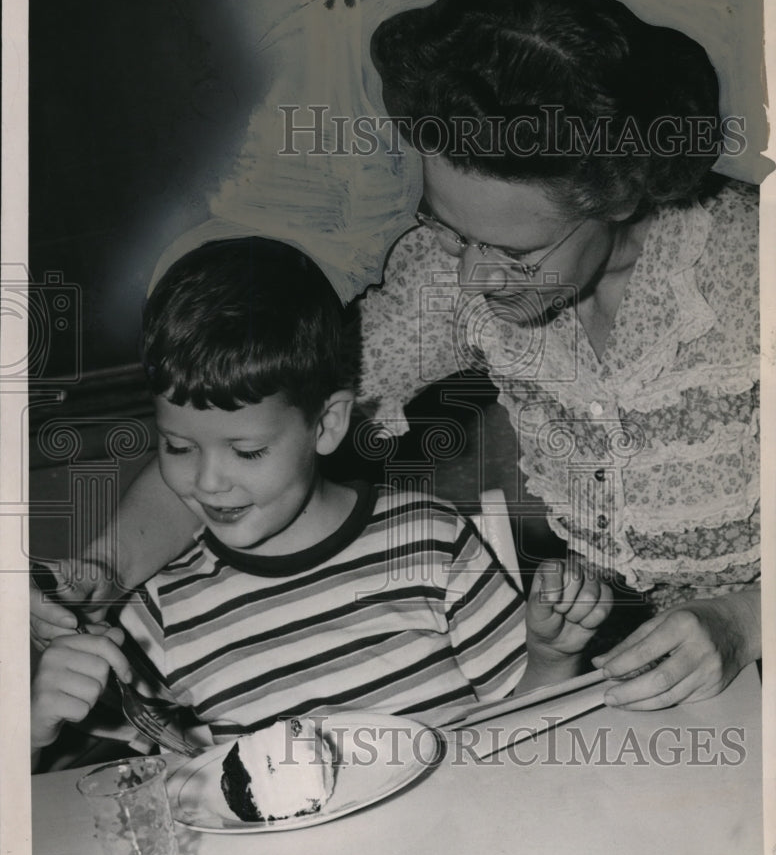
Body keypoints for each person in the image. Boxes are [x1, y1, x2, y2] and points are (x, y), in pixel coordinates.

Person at [31, 0, 761, 713]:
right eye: (452, 229)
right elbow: (253, 421)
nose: (475, 279)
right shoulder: (447, 277)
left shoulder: (751, 269)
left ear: (623, 192)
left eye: (516, 255)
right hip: (610, 682)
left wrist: (742, 620)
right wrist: (99, 571)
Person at [31, 235, 612, 763]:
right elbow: (127, 786)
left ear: (328, 424)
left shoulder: (429, 542)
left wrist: (552, 659)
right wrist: (37, 725)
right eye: (178, 447)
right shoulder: (158, 613)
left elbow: (527, 738)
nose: (207, 483)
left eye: (248, 451)